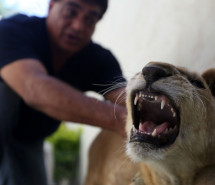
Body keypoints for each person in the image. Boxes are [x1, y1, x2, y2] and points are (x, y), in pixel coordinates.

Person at [0, 0, 127, 184]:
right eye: (70, 12)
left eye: (90, 20)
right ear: (51, 6)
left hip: (31, 140)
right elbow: (33, 88)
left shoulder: (99, 60)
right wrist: (124, 121)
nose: (78, 26)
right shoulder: (13, 31)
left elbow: (125, 98)